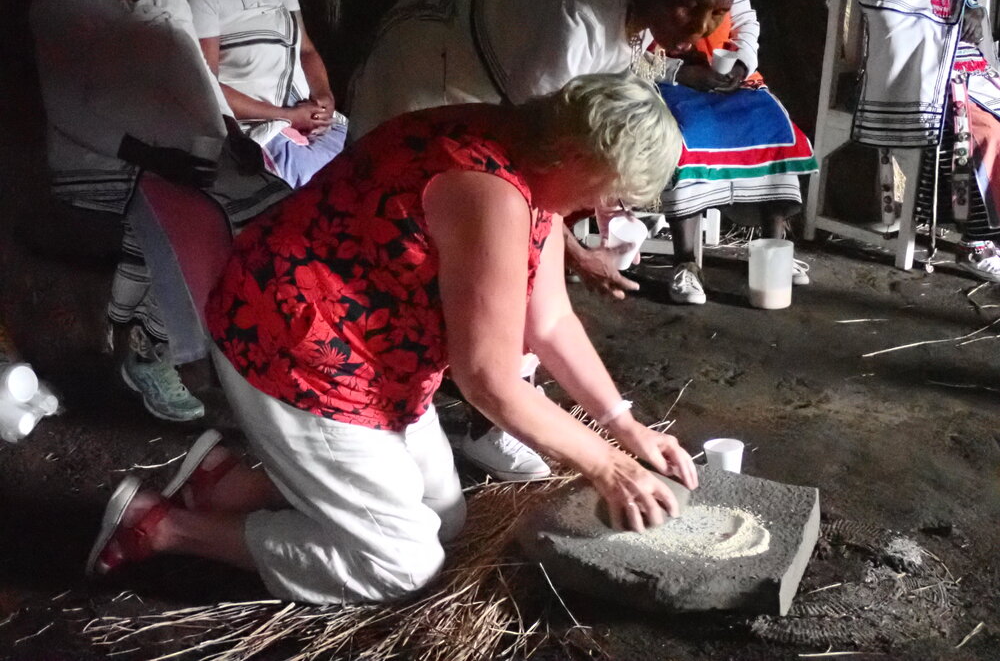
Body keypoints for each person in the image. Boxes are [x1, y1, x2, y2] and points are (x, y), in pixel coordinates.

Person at [85, 73, 701, 606]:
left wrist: (624, 426)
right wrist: (606, 465)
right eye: (609, 188)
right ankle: (162, 527)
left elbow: (550, 321)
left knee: (444, 520)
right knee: (402, 563)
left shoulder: (525, 151)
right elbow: (488, 381)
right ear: (573, 153)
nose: (605, 206)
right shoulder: (488, 190)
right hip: (298, 349)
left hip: (377, 353)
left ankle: (230, 485)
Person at [348, 0, 771, 478]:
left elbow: (552, 303)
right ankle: (455, 415)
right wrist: (577, 252)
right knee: (458, 255)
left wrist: (620, 424)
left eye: (716, 14)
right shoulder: (573, 19)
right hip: (431, 76)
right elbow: (542, 166)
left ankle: (444, 402)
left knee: (514, 257)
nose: (700, 29)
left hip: (500, 99)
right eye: (690, 6)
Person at [31, 0, 290, 422]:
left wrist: (231, 132)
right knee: (195, 220)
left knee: (274, 202)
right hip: (104, 156)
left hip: (178, 141)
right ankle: (151, 353)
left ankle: (255, 337)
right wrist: (154, 158)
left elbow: (196, 68)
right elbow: (67, 109)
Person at [856, 0, 1000, 281]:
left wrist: (972, 12)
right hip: (915, 82)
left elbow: (961, 5)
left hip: (958, 76)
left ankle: (993, 231)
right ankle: (974, 243)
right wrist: (954, 16)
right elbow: (900, 28)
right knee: (981, 132)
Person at [656, 0, 817, 305]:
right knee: (689, 136)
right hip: (671, 82)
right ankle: (685, 263)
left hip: (731, 82)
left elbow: (746, 24)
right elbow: (630, 52)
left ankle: (774, 252)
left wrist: (741, 66)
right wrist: (681, 72)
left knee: (773, 127)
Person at [183, 0, 347, 189]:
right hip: (258, 124)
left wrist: (324, 96)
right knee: (316, 185)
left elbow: (305, 49)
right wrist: (286, 116)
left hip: (304, 113)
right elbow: (206, 85)